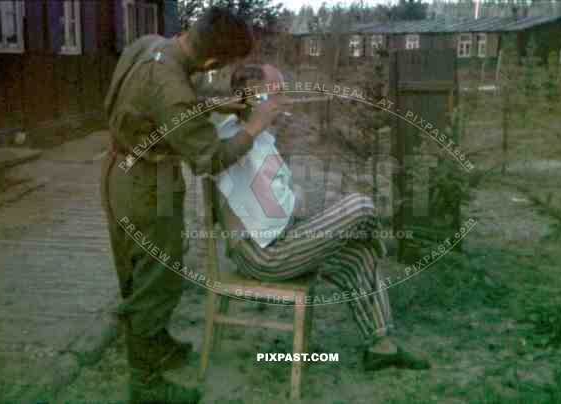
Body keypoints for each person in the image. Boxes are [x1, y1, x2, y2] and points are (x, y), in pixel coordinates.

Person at [101, 9, 286, 403]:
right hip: (147, 185)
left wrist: (221, 105)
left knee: (140, 266)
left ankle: (156, 342)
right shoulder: (173, 90)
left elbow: (166, 100)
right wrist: (255, 126)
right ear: (212, 62)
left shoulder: (150, 46)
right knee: (157, 276)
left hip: (120, 171)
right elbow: (210, 158)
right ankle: (145, 384)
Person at [210, 64, 431, 371]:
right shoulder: (231, 139)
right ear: (254, 98)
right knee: (362, 207)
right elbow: (287, 209)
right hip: (261, 254)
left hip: (279, 240)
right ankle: (380, 244)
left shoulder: (258, 139)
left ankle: (382, 347)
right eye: (279, 93)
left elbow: (289, 207)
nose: (286, 100)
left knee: (358, 254)